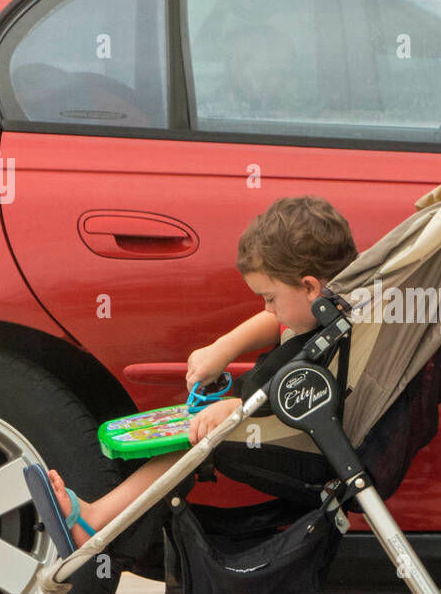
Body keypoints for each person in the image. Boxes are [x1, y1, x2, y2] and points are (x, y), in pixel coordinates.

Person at [46, 196, 358, 548]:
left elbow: (296, 389)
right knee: (196, 428)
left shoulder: (323, 335)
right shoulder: (326, 312)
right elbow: (277, 323)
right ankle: (113, 529)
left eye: (269, 297)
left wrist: (237, 409)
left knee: (194, 437)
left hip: (306, 446)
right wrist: (223, 348)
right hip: (281, 424)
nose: (267, 307)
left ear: (310, 287)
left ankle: (95, 520)